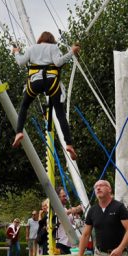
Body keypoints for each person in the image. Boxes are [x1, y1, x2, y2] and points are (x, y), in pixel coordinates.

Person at [12, 31, 80, 160]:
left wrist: (16, 52)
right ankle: (69, 144)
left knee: (24, 106)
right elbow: (59, 62)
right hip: (52, 83)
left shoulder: (32, 48)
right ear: (51, 40)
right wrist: (72, 52)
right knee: (60, 114)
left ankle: (19, 132)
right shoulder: (53, 47)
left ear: (40, 39)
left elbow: (20, 62)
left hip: (34, 83)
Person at [77, 180, 128, 256]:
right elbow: (85, 235)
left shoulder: (119, 207)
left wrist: (120, 249)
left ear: (109, 189)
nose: (98, 188)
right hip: (99, 255)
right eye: (96, 187)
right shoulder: (92, 210)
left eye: (101, 185)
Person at [55, 187, 82, 255]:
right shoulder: (56, 209)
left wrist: (75, 213)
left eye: (66, 196)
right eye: (64, 196)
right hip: (61, 244)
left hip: (69, 245)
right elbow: (61, 215)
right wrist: (73, 210)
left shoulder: (65, 209)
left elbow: (74, 224)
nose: (66, 198)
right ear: (58, 198)